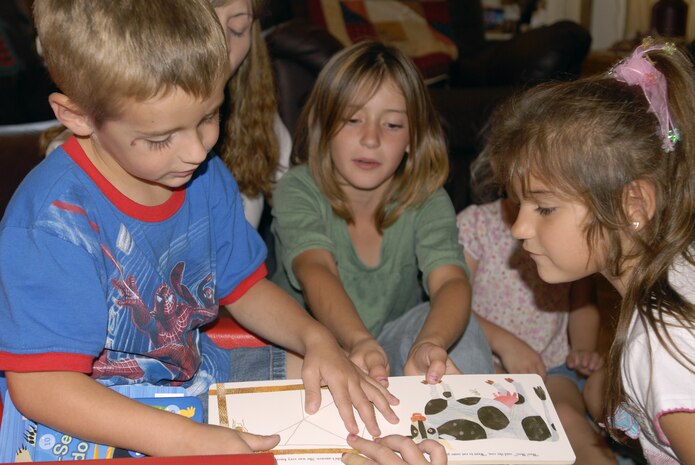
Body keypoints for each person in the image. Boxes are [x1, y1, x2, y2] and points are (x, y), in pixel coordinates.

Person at [0, 0, 401, 457]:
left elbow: (244, 286)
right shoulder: (51, 225)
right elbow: (42, 388)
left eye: (209, 117)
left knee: (339, 384)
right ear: (78, 116)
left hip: (195, 373)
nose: (195, 151)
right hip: (93, 409)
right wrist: (196, 442)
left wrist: (317, 340)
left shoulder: (203, 175)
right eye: (159, 139)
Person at [485, 38, 695, 464]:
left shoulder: (659, 346)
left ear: (632, 206)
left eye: (544, 207)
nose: (521, 228)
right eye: (517, 203)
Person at [271, 40, 493, 387]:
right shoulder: (298, 189)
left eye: (391, 125)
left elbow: (450, 280)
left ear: (412, 139)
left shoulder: (427, 199)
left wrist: (431, 343)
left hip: (388, 346)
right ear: (324, 126)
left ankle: (470, 435)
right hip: (306, 342)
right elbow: (316, 269)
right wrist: (357, 340)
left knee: (460, 335)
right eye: (352, 119)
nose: (371, 138)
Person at [41, 0, 291, 231]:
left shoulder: (256, 117)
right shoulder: (69, 181)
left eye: (238, 28)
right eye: (159, 139)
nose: (223, 46)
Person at [456, 150, 615, 465]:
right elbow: (451, 300)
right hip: (485, 361)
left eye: (545, 206)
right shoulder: (476, 224)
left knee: (568, 417)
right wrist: (504, 342)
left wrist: (582, 347)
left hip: (552, 365)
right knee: (510, 425)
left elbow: (582, 299)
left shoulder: (571, 234)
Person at [211, 0, 291, 229]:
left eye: (238, 28)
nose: (222, 44)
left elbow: (294, 194)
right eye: (205, 24)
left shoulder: (256, 111)